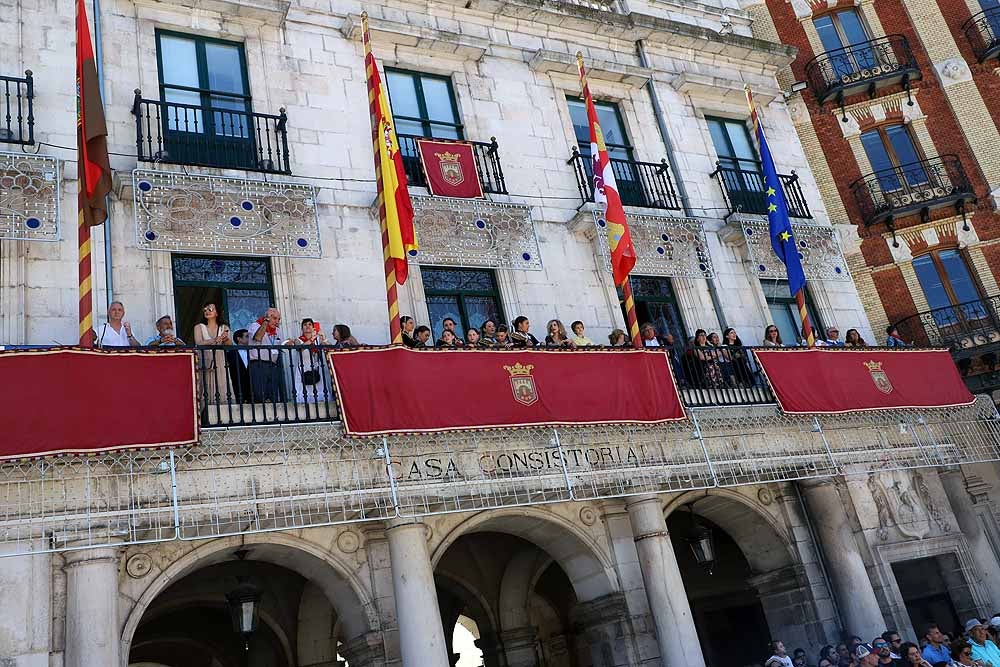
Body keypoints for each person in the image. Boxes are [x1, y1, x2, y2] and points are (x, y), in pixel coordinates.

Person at [192, 304, 232, 404]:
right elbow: (199, 342)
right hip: (205, 359)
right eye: (205, 309)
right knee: (205, 386)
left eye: (210, 309)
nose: (207, 311)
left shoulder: (224, 327)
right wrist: (215, 340)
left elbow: (230, 344)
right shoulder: (199, 327)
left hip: (220, 360)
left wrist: (225, 339)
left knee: (221, 384)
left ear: (217, 313)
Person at [287, 318, 328, 403]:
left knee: (319, 387)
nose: (307, 326)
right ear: (302, 329)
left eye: (310, 324)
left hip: (316, 367)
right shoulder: (298, 339)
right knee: (304, 389)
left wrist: (324, 339)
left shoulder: (317, 339)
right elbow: (300, 348)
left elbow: (328, 347)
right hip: (303, 367)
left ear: (313, 327)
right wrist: (311, 340)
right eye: (305, 325)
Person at [248, 307, 284, 402]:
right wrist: (265, 322)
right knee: (260, 395)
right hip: (258, 364)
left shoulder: (278, 331)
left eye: (279, 319)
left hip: (273, 365)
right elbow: (258, 337)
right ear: (267, 317)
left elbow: (280, 345)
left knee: (273, 396)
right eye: (274, 318)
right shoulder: (255, 325)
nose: (277, 321)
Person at [226, 328, 252, 403]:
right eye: (247, 336)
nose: (249, 339)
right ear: (239, 339)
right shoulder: (231, 354)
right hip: (238, 387)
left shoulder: (253, 351)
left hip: (252, 389)